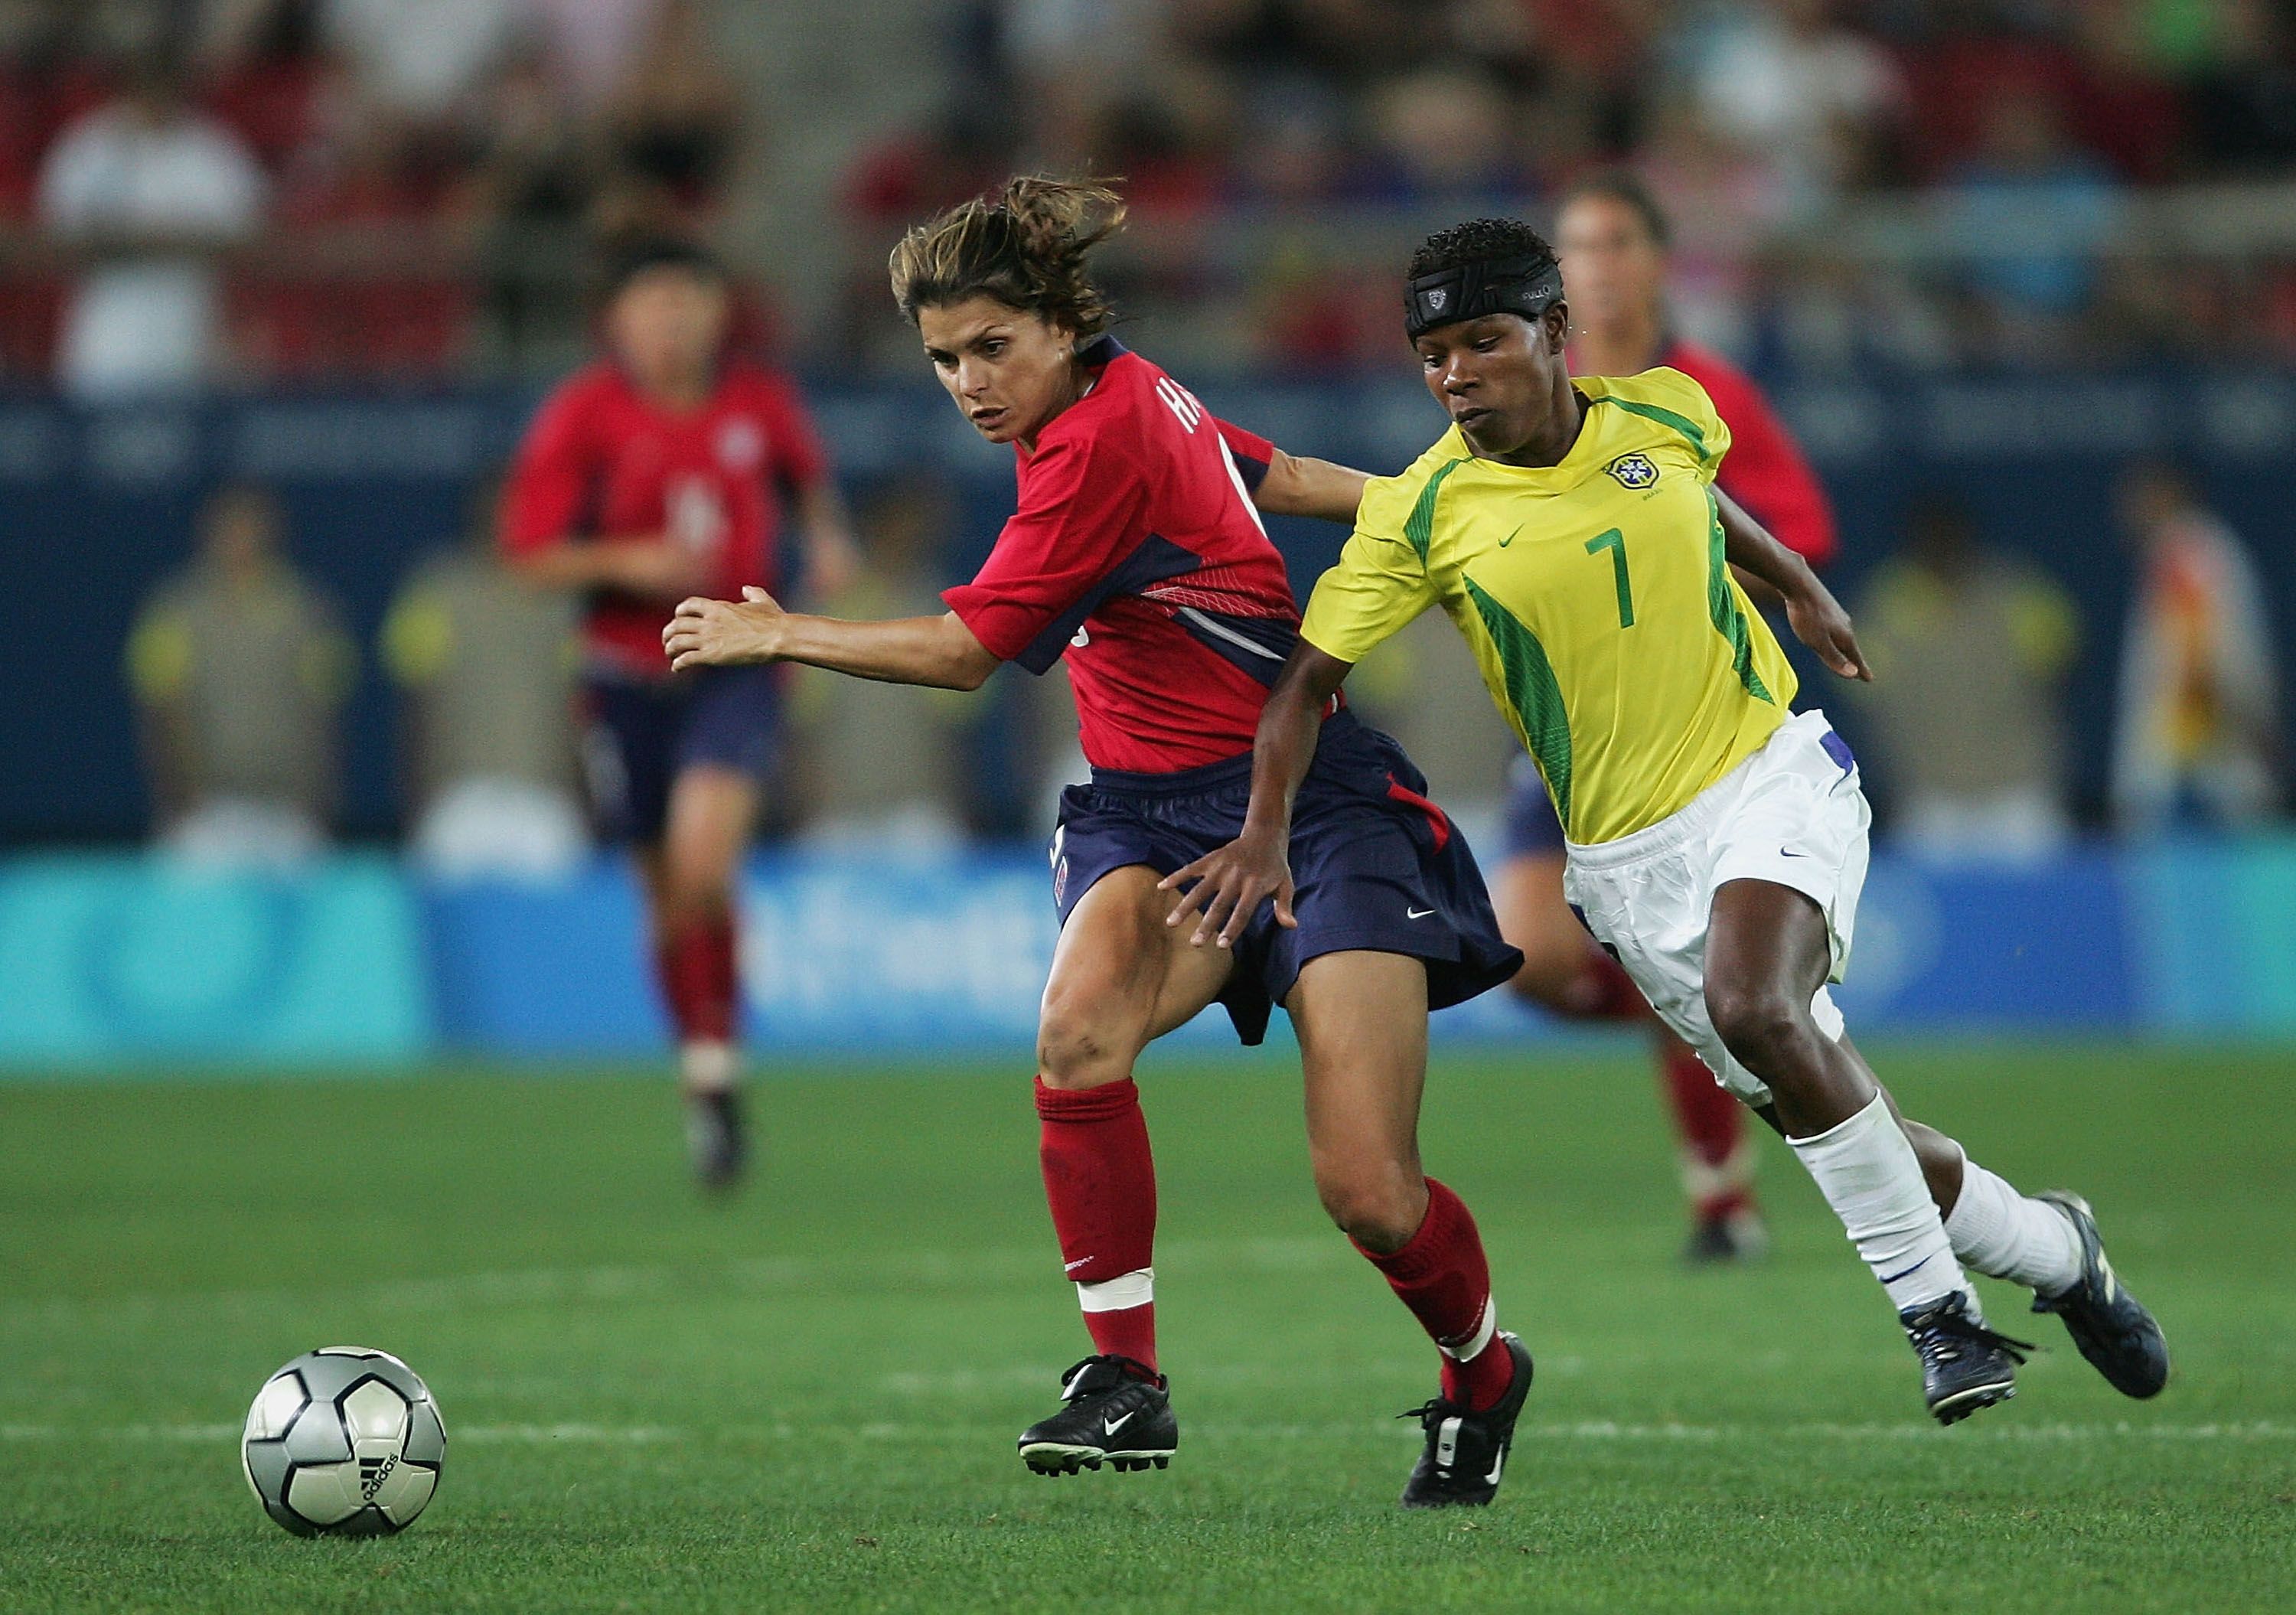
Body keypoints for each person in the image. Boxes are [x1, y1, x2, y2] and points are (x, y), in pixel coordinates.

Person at [1170, 218, 2169, 1426]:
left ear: (1553, 332)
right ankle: (2061, 1251)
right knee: (1833, 1108)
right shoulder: (1423, 512)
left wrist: (1796, 583)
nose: (1455, 374)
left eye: (1482, 341)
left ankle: (1941, 1319)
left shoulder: (1665, 410)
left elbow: (1708, 503)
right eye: (1432, 354)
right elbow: (1302, 690)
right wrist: (1264, 828)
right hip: (1626, 867)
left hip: (1767, 773)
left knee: (1764, 1006)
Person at [665, 178, 1533, 1507]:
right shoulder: (1128, 391)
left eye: (989, 349)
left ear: (1062, 326)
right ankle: (1126, 1380)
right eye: (943, 359)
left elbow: (966, 654)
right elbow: (1278, 474)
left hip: (1310, 807)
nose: (967, 382)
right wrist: (1435, 508)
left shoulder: (1095, 447)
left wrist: (781, 632)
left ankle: (1482, 1368)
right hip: (1145, 811)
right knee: (1075, 1035)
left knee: (1367, 1189)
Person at [1496, 171, 1841, 1264]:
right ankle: (1726, 1026)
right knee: (1533, 958)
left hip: (1686, 727)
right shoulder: (1527, 389)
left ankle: (1721, 1194)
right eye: (1574, 246)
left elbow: (1800, 532)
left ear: (1652, 260)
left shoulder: (1708, 391)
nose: (1592, 264)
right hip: (1563, 722)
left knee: (1658, 951)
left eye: (1612, 242)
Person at [501, 237, 859, 1188]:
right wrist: (627, 561)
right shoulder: (583, 413)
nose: (673, 323)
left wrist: (826, 541)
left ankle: (721, 1056)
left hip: (735, 662)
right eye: (653, 305)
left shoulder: (759, 401)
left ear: (716, 313)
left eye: (689, 302)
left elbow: (808, 484)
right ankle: (705, 1076)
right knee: (665, 896)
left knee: (705, 865)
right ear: (618, 321)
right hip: (625, 675)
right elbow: (529, 554)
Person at [126, 484, 354, 865]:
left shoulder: (306, 610)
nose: (240, 538)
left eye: (250, 526)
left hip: (286, 809)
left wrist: (317, 802)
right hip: (204, 813)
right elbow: (159, 711)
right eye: (229, 527)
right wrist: (176, 801)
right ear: (208, 532)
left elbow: (324, 715)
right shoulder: (174, 609)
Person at [1853, 494, 2079, 857]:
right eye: (1931, 541)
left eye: (1950, 539)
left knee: (2044, 901)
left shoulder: (2015, 592)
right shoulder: (1888, 602)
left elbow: (2062, 667)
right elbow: (1861, 688)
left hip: (2018, 788)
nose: (1942, 551)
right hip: (1929, 796)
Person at [383, 477, 588, 879]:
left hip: (542, 801)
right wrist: (413, 805)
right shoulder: (437, 593)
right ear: (478, 516)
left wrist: (586, 803)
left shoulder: (565, 600)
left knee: (552, 934)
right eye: (499, 508)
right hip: (457, 800)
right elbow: (412, 709)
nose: (509, 520)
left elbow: (581, 713)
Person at [2112, 462, 2282, 834]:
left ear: (2167, 496)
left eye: (2136, 498)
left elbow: (2201, 656)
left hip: (2194, 759)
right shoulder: (2186, 551)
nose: (2125, 510)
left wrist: (2169, 756)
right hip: (2197, 756)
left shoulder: (2189, 553)